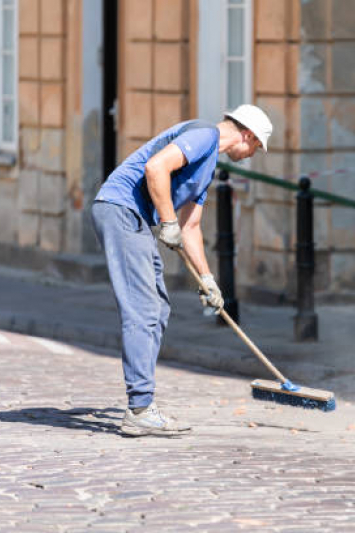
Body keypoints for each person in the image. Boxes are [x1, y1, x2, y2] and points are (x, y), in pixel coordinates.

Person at [91, 105, 273, 437]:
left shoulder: (206, 166)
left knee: (158, 308)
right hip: (122, 211)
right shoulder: (204, 135)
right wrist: (167, 220)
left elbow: (190, 226)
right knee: (143, 309)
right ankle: (141, 408)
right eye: (255, 147)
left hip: (136, 219)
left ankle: (142, 404)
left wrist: (207, 279)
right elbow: (155, 167)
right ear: (246, 135)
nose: (251, 156)